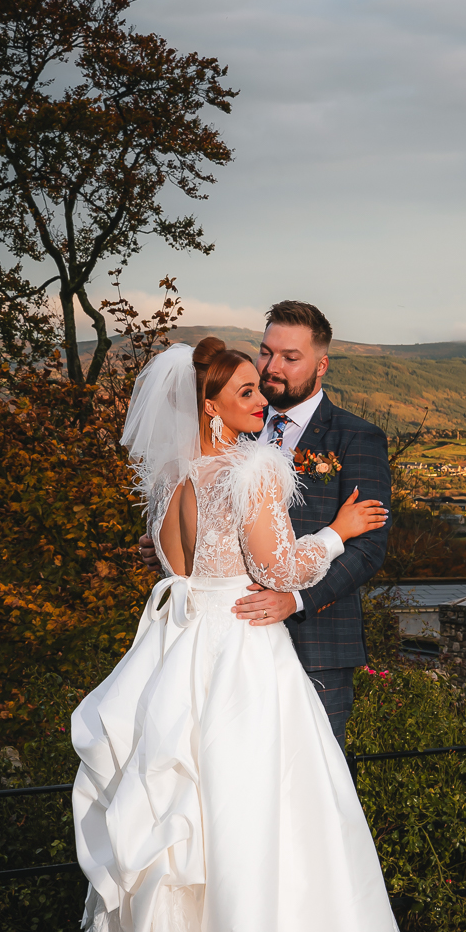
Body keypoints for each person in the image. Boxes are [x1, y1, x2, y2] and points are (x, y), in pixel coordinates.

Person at [0, 338, 413, 932]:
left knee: (182, 837)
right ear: (212, 407)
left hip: (180, 660)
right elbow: (279, 570)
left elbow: (187, 573)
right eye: (248, 393)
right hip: (244, 663)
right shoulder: (250, 472)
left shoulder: (172, 483)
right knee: (259, 836)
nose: (263, 403)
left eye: (263, 389)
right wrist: (337, 532)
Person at [139, 301, 391, 748]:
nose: (273, 368)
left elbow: (369, 549)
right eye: (265, 352)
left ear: (321, 364)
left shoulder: (356, 437)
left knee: (309, 782)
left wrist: (294, 599)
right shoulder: (238, 425)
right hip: (219, 641)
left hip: (317, 643)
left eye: (290, 358)